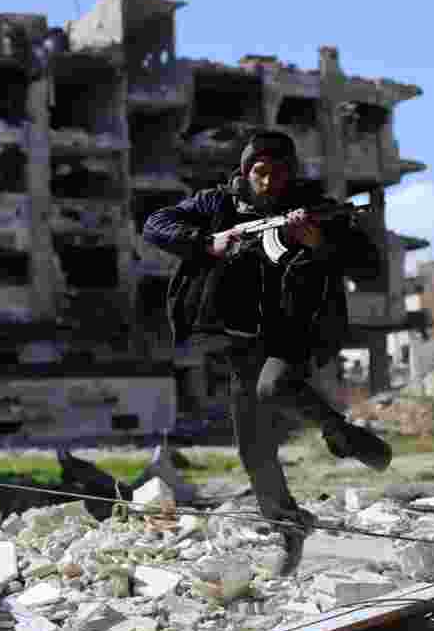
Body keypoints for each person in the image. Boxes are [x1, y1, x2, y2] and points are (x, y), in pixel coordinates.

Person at [143, 130, 394, 576]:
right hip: (237, 335)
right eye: (260, 171)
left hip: (295, 328)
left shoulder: (315, 206)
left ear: (292, 174)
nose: (269, 181)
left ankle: (339, 432)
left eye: (280, 172)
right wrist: (208, 242)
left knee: (275, 385)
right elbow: (155, 225)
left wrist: (319, 244)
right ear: (245, 172)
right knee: (254, 450)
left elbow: (370, 267)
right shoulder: (216, 205)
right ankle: (287, 527)